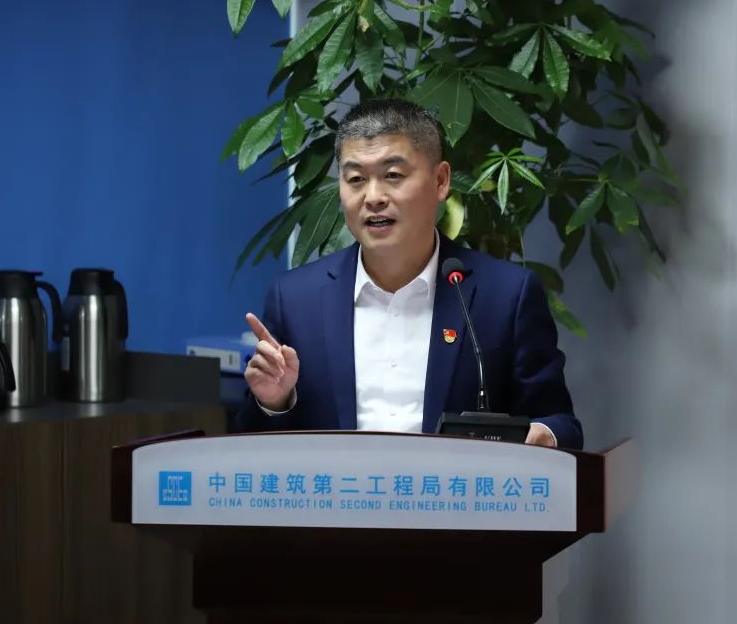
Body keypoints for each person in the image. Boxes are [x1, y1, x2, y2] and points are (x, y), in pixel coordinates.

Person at [235, 98, 583, 449]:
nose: (373, 197)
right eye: (355, 179)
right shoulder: (296, 300)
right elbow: (254, 447)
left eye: (393, 176)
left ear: (440, 180)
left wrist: (544, 435)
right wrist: (274, 402)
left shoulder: (506, 295)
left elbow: (560, 422)